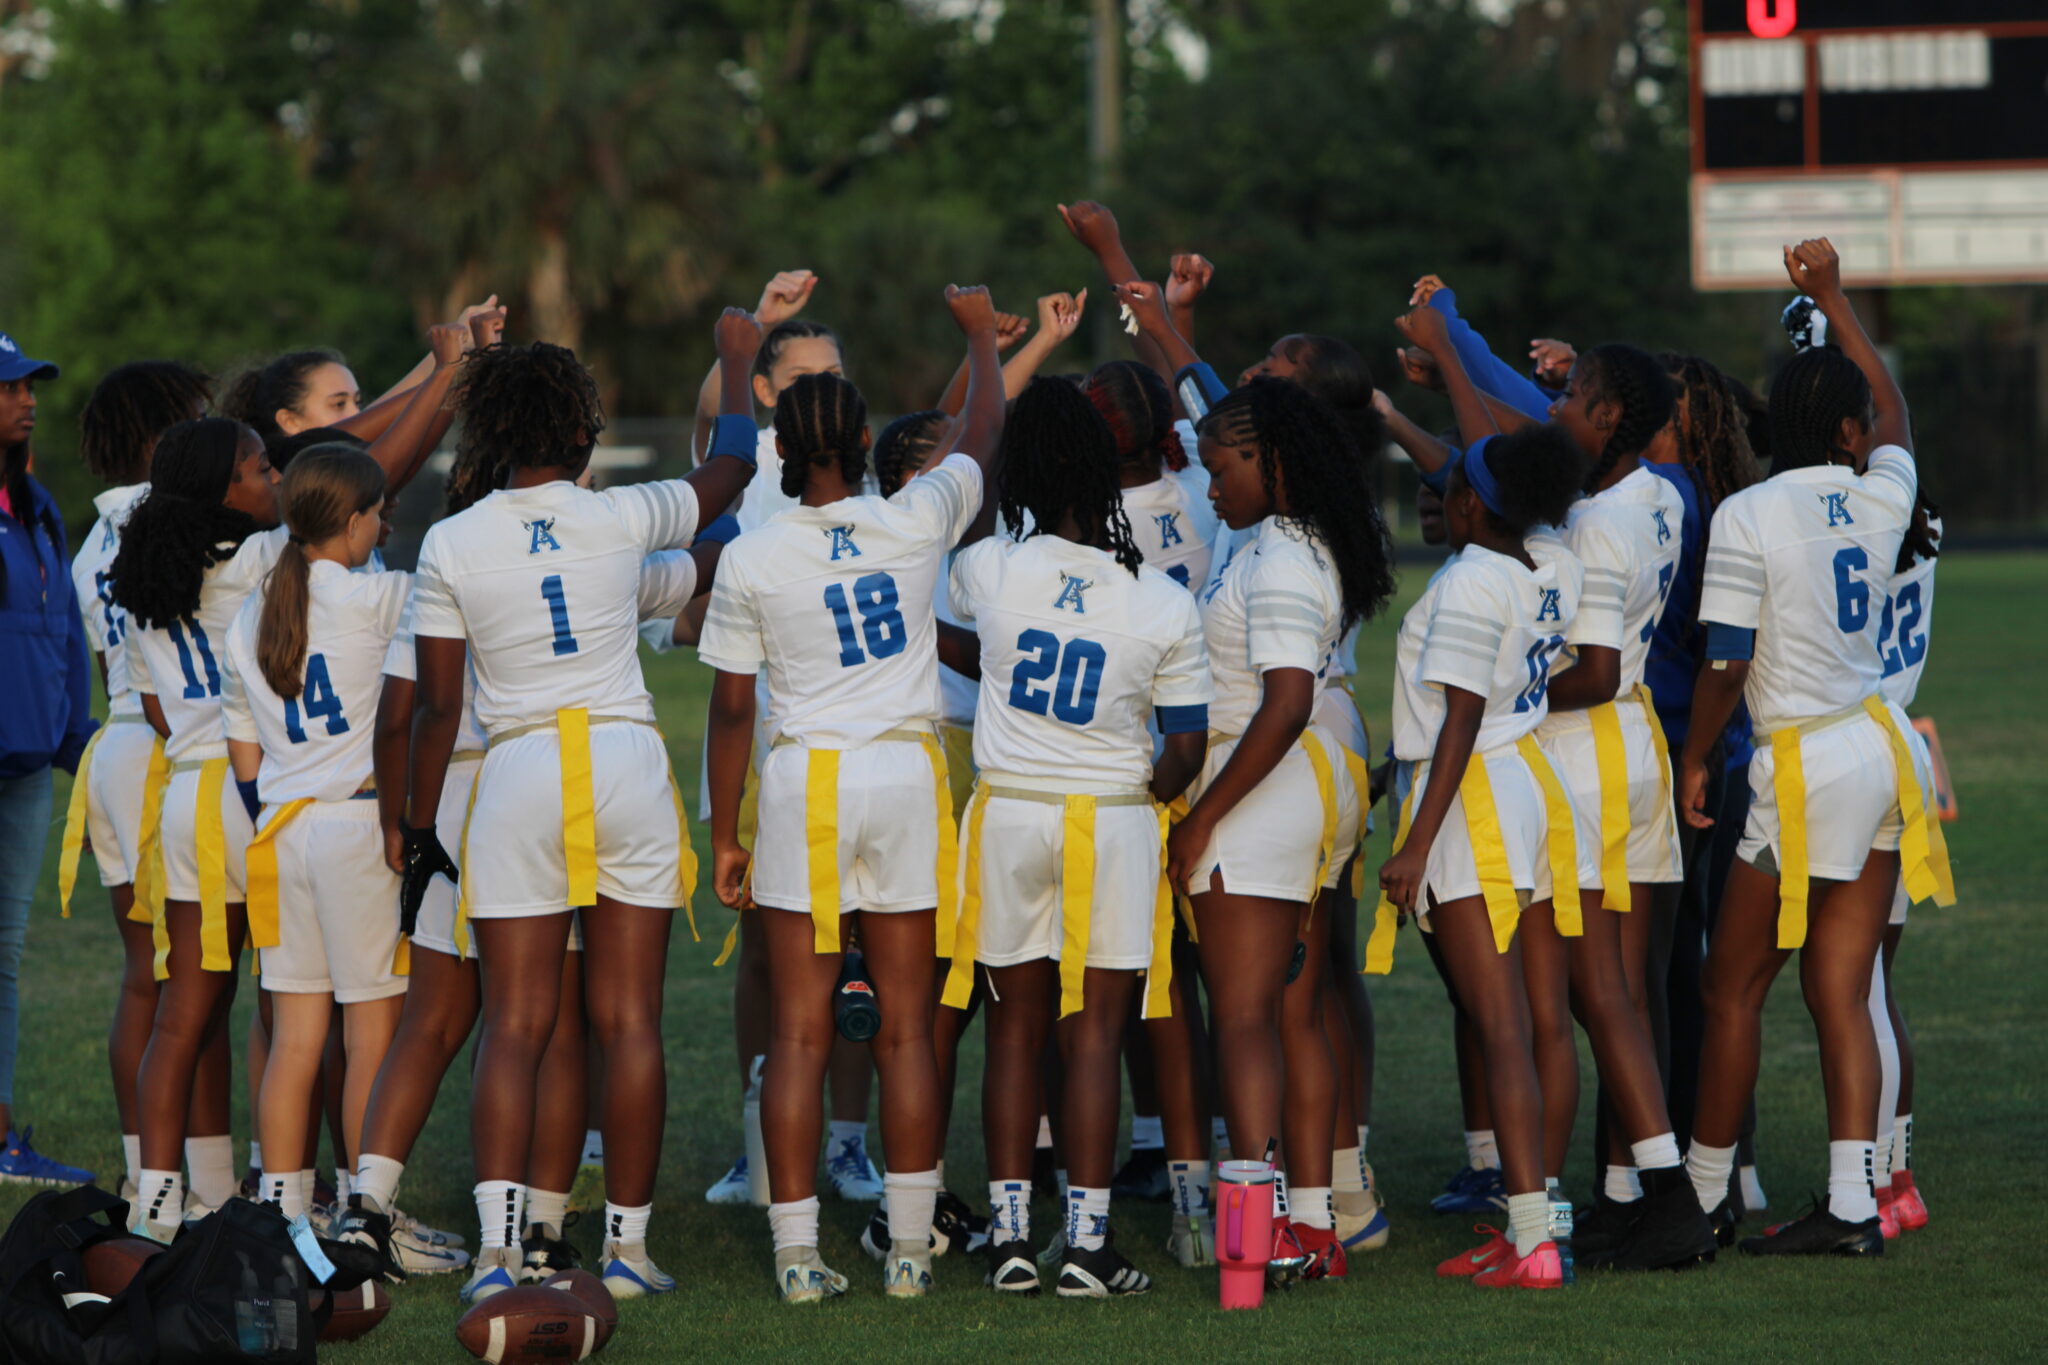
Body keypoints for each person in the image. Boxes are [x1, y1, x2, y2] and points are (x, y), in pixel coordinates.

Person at [401, 319, 755, 1301]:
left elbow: (438, 706)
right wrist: (734, 351)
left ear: (490, 432)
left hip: (515, 771)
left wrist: (417, 825)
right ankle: (630, 1253)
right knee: (628, 1018)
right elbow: (730, 469)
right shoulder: (618, 519)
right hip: (622, 760)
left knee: (514, 1022)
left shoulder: (449, 538)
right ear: (584, 428)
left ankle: (497, 1255)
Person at [701, 284, 1005, 1303]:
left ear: (779, 454)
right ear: (868, 438)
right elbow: (980, 432)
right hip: (906, 776)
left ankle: (795, 1254)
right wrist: (977, 338)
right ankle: (911, 1252)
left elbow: (732, 711)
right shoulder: (914, 519)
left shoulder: (751, 554)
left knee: (796, 1029)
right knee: (910, 1026)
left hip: (805, 784)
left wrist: (728, 838)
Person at [1679, 238, 1953, 1257]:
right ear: (1842, 430)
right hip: (1879, 747)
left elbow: (1722, 661)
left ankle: (1706, 1188)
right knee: (1841, 988)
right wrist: (1834, 297)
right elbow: (1894, 418)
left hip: (1798, 761)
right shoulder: (1882, 497)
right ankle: (1850, 1204)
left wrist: (1696, 755)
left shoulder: (1749, 511)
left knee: (1729, 985)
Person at [1120, 280, 1392, 1282]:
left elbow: (1279, 700)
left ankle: (1248, 1242)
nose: (1209, 476)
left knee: (1240, 1016)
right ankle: (1312, 1224)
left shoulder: (1279, 553)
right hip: (1300, 782)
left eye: (1224, 464)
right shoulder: (1291, 531)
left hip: (1263, 786)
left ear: (1271, 462)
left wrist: (1202, 822)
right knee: (1295, 1011)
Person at [943, 377, 1212, 1298]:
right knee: (1095, 1033)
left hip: (1011, 806)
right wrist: (1152, 798)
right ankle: (1089, 1247)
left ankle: (1014, 1239)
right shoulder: (1160, 602)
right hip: (1111, 815)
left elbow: (969, 647)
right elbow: (1186, 745)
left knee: (1013, 1031)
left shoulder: (991, 568)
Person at [1376, 426, 1586, 1290]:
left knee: (1500, 1023)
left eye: (1452, 486)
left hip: (1474, 798)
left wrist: (1415, 844)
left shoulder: (1467, 580)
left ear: (1473, 505)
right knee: (1541, 1019)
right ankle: (1539, 1222)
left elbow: (1458, 714)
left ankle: (1532, 1238)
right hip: (1530, 781)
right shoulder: (1550, 560)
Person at [220, 447, 410, 1229]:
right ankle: (366, 1216)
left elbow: (244, 755)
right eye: (377, 513)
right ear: (356, 518)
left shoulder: (248, 614)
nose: (384, 526)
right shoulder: (381, 596)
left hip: (282, 829)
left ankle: (286, 1216)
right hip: (355, 825)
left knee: (294, 1033)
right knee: (370, 1035)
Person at [107, 417, 287, 1238]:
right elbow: (363, 477)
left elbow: (150, 703)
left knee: (186, 1006)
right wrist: (437, 384)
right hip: (248, 790)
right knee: (284, 1001)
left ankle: (158, 1197)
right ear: (225, 490)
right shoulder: (256, 558)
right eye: (259, 466)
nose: (274, 478)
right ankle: (302, 1197)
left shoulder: (151, 577)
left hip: (182, 790)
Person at [62, 360, 212, 1198]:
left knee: (144, 976)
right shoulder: (179, 521)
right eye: (196, 421)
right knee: (198, 979)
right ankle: (207, 1185)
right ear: (161, 438)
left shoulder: (93, 543)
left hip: (114, 750)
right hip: (168, 748)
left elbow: (103, 663)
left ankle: (142, 1176)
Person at [0, 331, 98, 1186]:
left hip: (28, 766)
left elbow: (63, 632)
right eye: (8, 388)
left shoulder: (35, 504)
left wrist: (82, 744)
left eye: (29, 385)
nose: (26, 399)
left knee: (4, 956)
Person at [1872, 492, 1942, 1238]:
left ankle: (1870, 1187)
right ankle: (1898, 1179)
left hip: (1854, 742)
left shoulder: (1852, 514)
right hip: (1899, 742)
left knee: (1854, 989)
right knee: (1873, 986)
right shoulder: (1917, 508)